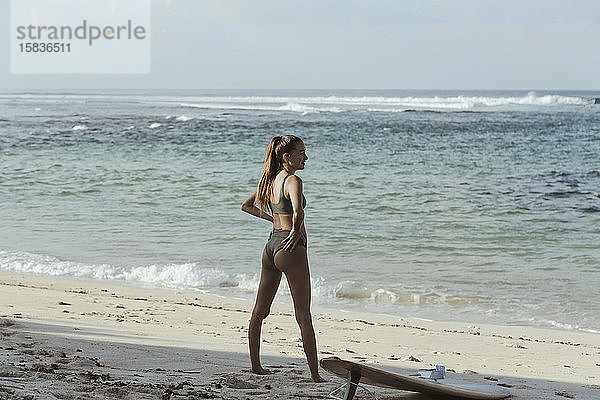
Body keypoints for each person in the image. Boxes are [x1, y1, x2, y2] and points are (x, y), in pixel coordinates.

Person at [241, 135, 325, 383]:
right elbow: (298, 212)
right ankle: (315, 375)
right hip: (291, 249)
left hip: (271, 247)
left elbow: (246, 206)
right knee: (303, 315)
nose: (306, 157)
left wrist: (274, 222)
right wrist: (295, 231)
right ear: (287, 157)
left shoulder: (270, 180)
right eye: (301, 153)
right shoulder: (293, 181)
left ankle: (256, 366)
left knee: (259, 311)